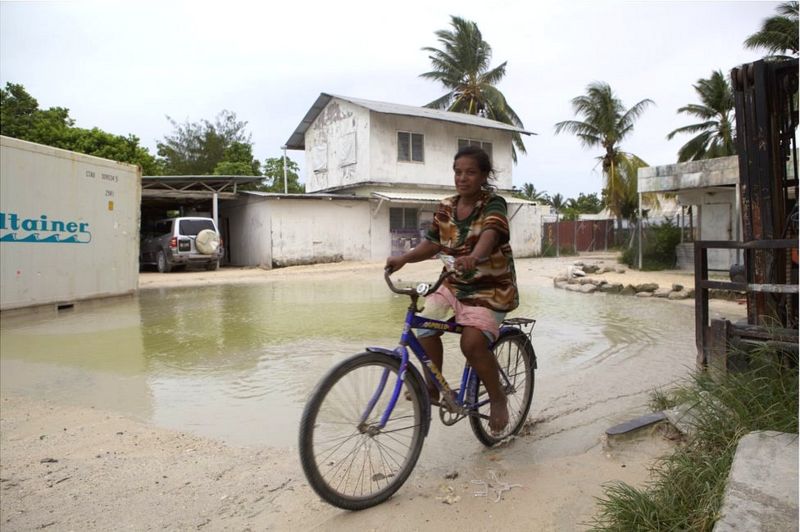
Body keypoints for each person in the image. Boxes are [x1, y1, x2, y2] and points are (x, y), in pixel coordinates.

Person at [385, 145, 519, 434]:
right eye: (458, 172)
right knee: (422, 326)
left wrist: (475, 256)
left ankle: (497, 399)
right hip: (454, 283)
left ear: (483, 175)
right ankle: (433, 387)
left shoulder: (493, 204)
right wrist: (403, 259)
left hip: (491, 289)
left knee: (471, 344)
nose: (463, 177)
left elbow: (490, 233)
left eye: (470, 172)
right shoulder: (446, 206)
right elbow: (432, 243)